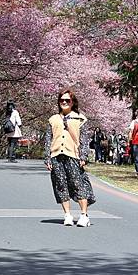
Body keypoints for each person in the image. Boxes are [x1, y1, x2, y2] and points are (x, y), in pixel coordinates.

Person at [44, 89, 96, 227]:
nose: (65, 102)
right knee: (60, 185)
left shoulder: (80, 119)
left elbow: (84, 140)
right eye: (62, 100)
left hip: (73, 155)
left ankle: (84, 215)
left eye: (67, 100)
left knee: (78, 184)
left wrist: (83, 156)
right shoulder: (53, 119)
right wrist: (47, 158)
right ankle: (67, 215)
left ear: (73, 102)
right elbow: (48, 139)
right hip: (56, 155)